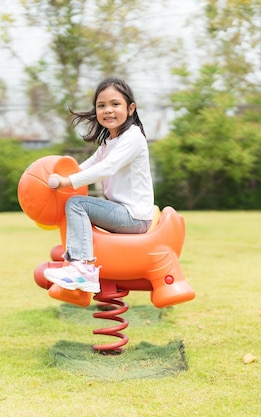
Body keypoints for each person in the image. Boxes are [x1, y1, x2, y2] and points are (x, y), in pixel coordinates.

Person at [43, 78, 155, 294]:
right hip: (124, 212)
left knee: (77, 204)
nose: (108, 110)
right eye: (101, 105)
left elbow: (107, 168)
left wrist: (67, 182)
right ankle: (76, 263)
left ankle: (82, 270)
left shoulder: (133, 137)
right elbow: (89, 165)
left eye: (115, 104)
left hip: (134, 216)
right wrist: (64, 172)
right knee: (75, 203)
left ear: (130, 108)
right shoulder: (109, 141)